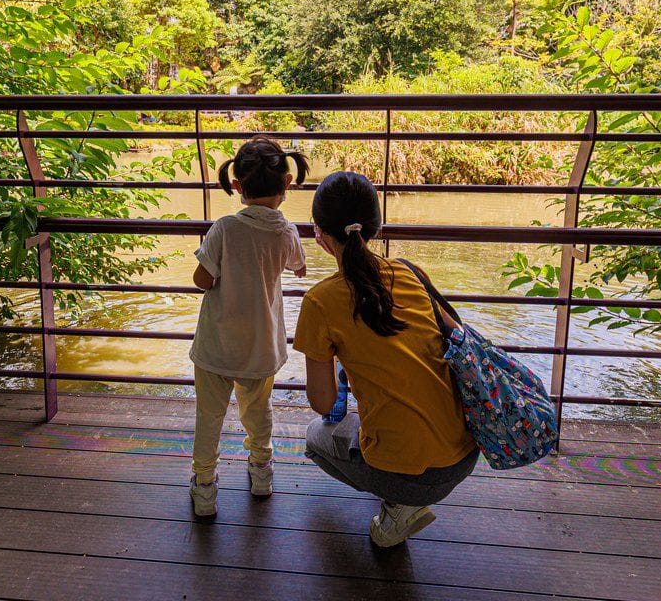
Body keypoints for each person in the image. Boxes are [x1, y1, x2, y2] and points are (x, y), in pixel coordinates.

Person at [294, 171, 478, 547]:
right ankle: (403, 495)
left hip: (416, 476)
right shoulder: (411, 272)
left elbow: (323, 403)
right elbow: (455, 335)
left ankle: (399, 508)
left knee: (316, 439)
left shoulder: (319, 301)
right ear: (375, 227)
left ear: (320, 235)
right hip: (466, 452)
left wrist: (334, 358)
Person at [189, 136, 309, 517]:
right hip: (261, 347)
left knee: (209, 417)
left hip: (215, 347)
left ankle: (205, 487)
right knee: (258, 412)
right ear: (287, 183)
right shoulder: (286, 232)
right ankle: (261, 473)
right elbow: (299, 268)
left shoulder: (225, 228)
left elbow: (201, 280)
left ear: (236, 186)